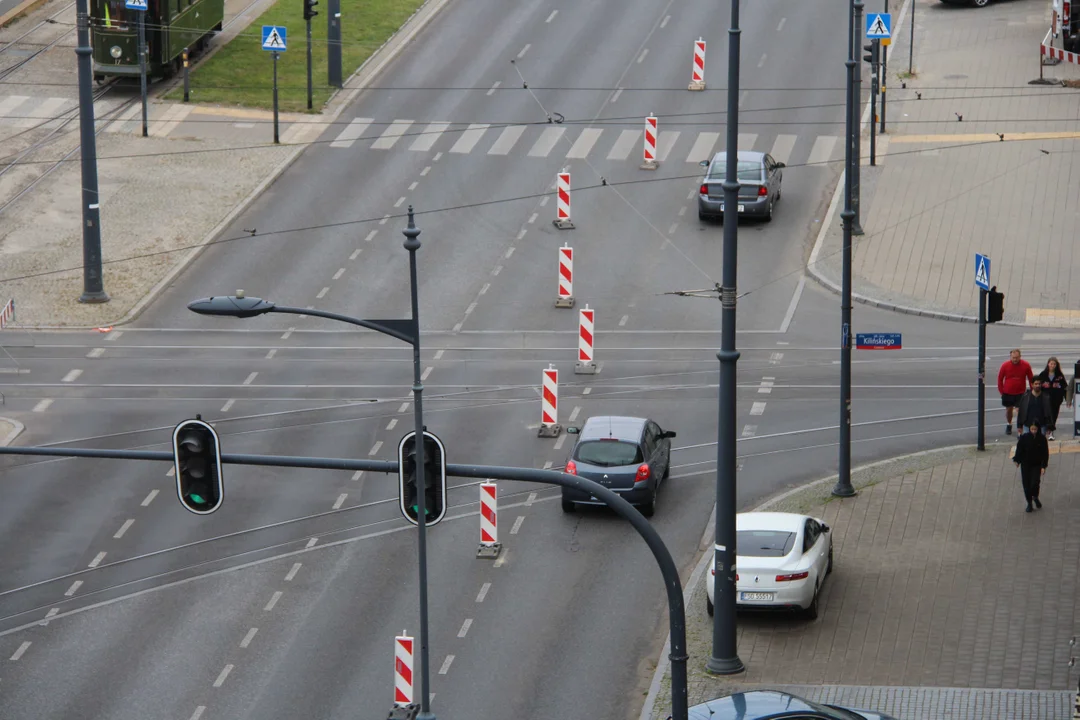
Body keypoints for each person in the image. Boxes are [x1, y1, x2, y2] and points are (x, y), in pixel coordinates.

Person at [1013, 422, 1047, 512]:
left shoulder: (1042, 439)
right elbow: (1019, 449)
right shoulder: (1024, 438)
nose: (1033, 431)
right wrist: (1017, 460)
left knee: (1035, 483)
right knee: (1026, 484)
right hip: (1026, 464)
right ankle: (1029, 503)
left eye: (1035, 429)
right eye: (1032, 429)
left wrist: (1043, 466)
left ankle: (1035, 496)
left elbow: (1045, 453)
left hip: (1036, 464)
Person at [997, 349, 1033, 435]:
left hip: (1020, 393)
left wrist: (1032, 390)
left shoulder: (1026, 365)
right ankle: (1009, 424)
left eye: (1016, 357)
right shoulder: (1005, 365)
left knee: (1020, 411)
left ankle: (1019, 428)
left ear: (1020, 357)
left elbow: (1031, 378)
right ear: (1010, 357)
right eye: (1013, 358)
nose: (1015, 359)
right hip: (1008, 392)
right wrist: (1002, 392)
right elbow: (1000, 379)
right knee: (1009, 410)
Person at [1037, 357, 1068, 440]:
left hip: (1056, 400)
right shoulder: (1043, 375)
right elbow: (1037, 386)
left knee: (1053, 415)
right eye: (1051, 364)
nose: (1052, 365)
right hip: (1044, 400)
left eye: (1054, 364)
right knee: (1045, 415)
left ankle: (1050, 432)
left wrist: (1067, 399)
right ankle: (1044, 430)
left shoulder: (1060, 376)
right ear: (1048, 364)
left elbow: (1065, 387)